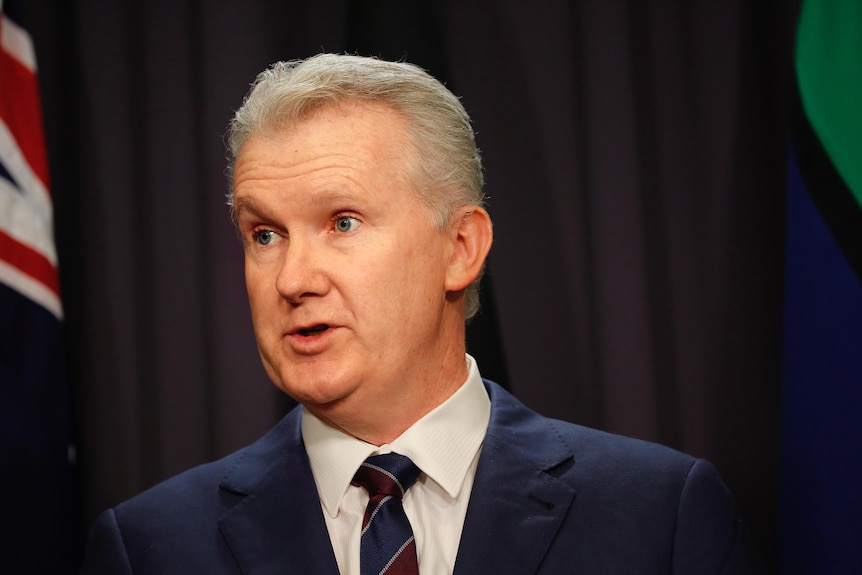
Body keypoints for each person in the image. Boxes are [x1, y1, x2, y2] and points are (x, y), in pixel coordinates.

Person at [80, 53, 761, 574]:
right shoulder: (149, 546)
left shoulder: (660, 517)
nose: (292, 278)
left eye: (342, 222)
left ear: (460, 248)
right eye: (265, 234)